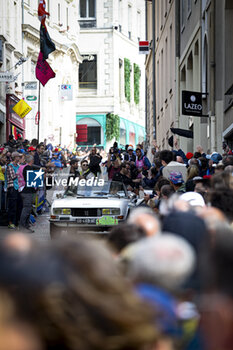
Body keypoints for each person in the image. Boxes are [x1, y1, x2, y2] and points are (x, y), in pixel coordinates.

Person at [5, 152, 21, 229]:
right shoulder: (10, 166)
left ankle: (16, 222)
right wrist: (20, 173)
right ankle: (10, 222)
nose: (19, 158)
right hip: (12, 188)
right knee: (12, 206)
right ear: (15, 157)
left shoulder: (18, 166)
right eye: (18, 157)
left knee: (18, 205)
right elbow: (13, 176)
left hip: (18, 188)